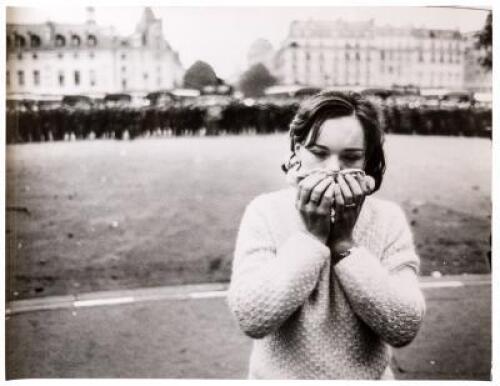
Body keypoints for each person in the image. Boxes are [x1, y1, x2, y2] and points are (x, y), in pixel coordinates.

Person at [227, 91, 426, 380]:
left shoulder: (387, 218)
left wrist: (345, 245)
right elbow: (252, 317)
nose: (333, 169)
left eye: (351, 156)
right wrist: (311, 239)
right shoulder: (265, 212)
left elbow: (404, 326)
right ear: (297, 149)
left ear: (367, 159)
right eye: (319, 153)